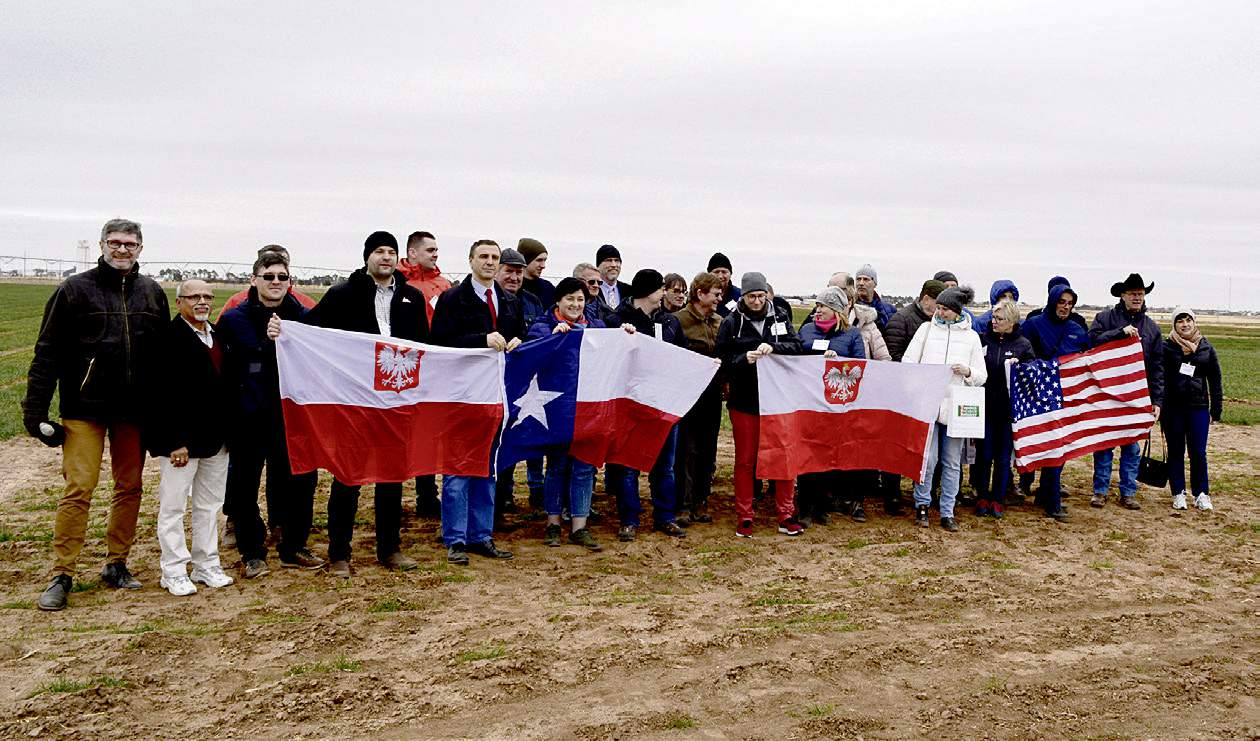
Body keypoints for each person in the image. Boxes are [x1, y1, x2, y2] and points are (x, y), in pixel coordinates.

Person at [24, 218, 170, 610]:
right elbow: (47, 353)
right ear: (102, 244)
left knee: (130, 487)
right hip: (84, 409)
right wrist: (34, 410)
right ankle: (62, 573)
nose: (122, 250)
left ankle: (116, 563)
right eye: (115, 242)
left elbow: (162, 359)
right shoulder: (74, 290)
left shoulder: (152, 293)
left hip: (132, 411)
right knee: (79, 488)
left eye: (130, 244)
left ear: (141, 248)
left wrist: (163, 409)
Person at [297, 231, 428, 575]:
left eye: (391, 252)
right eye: (379, 251)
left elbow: (426, 347)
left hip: (396, 401)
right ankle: (339, 553)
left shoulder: (412, 298)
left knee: (392, 475)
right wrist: (285, 334)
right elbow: (313, 332)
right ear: (367, 256)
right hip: (353, 401)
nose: (386, 257)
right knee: (348, 475)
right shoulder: (343, 294)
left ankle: (390, 548)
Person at [218, 249, 322, 578]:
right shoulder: (235, 318)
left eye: (282, 277)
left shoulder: (304, 317)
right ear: (254, 280)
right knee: (244, 484)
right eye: (269, 276)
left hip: (291, 416)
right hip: (248, 416)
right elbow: (227, 367)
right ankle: (252, 550)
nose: (275, 282)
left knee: (301, 482)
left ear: (290, 281)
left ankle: (293, 546)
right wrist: (267, 341)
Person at [430, 239, 524, 565]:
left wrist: (517, 341)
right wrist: (480, 341)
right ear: (470, 260)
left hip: (495, 397)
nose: (489, 262)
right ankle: (455, 538)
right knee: (458, 469)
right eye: (483, 256)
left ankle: (481, 535)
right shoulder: (452, 299)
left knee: (488, 469)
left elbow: (519, 335)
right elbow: (440, 342)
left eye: (494, 257)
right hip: (462, 396)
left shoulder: (510, 301)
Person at [524, 277, 633, 551]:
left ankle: (579, 527)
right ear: (558, 301)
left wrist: (624, 333)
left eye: (580, 299)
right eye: (570, 299)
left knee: (584, 468)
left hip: (590, 409)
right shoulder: (543, 326)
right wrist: (552, 339)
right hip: (556, 409)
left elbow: (613, 349)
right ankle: (552, 524)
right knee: (558, 467)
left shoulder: (596, 326)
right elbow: (530, 357)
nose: (575, 304)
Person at [148, 280, 236, 595]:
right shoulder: (166, 338)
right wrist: (174, 441)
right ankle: (173, 570)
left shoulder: (219, 336)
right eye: (194, 296)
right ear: (179, 301)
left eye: (207, 296)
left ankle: (206, 564)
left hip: (216, 440)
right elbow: (158, 395)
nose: (202, 301)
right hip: (181, 444)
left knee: (209, 505)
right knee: (173, 507)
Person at [716, 272, 805, 537]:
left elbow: (796, 347)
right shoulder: (732, 322)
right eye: (752, 296)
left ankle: (786, 513)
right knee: (745, 460)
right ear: (743, 296)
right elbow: (722, 359)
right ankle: (745, 514)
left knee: (783, 456)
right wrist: (745, 358)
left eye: (761, 296)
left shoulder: (780, 317)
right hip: (745, 401)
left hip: (778, 401)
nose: (757, 301)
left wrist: (774, 349)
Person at [607, 269, 688, 541]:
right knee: (627, 466)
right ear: (647, 292)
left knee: (664, 465)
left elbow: (682, 356)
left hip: (662, 405)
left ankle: (665, 516)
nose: (664, 293)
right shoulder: (617, 321)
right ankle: (629, 519)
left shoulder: (670, 322)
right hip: (631, 406)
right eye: (660, 289)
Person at [901, 285, 987, 532]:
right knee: (929, 460)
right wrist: (919, 383)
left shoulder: (971, 337)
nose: (940, 313)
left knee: (951, 463)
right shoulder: (926, 330)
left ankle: (948, 511)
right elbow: (908, 363)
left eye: (945, 309)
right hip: (928, 404)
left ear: (957, 310)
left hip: (956, 408)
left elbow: (982, 375)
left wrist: (967, 371)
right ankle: (922, 505)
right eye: (938, 307)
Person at [1088, 273, 1165, 510]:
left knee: (1132, 447)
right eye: (1133, 293)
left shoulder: (1151, 328)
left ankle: (1128, 491)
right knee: (1104, 445)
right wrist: (1119, 333)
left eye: (1140, 294)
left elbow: (1157, 368)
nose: (1137, 298)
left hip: (1137, 396)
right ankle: (1100, 491)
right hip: (1107, 393)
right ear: (1122, 295)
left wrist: (1157, 400)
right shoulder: (1105, 318)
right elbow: (1091, 342)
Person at [796, 287, 866, 525]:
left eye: (822, 307)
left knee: (827, 456)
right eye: (817, 306)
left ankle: (820, 506)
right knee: (808, 454)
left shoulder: (852, 335)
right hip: (808, 402)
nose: (817, 311)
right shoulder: (805, 330)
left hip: (836, 406)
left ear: (836, 310)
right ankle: (804, 507)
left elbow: (860, 367)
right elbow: (794, 359)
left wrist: (840, 363)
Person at [1021, 282, 1089, 521]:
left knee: (1060, 448)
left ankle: (1048, 496)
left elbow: (1088, 356)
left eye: (1070, 303)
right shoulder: (1033, 325)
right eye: (1061, 302)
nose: (1065, 307)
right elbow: (1023, 355)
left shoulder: (1077, 328)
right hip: (1039, 395)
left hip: (1067, 395)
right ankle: (1049, 500)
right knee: (1045, 446)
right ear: (1052, 301)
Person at [395, 230, 449, 518]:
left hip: (437, 371)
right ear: (412, 252)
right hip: (404, 370)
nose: (435, 254)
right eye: (430, 249)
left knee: (429, 434)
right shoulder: (398, 284)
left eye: (437, 249)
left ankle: (427, 495)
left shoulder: (445, 285)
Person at [493, 247, 546, 518]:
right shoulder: (492, 299)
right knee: (497, 444)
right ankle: (498, 500)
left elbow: (538, 334)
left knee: (516, 440)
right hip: (491, 384)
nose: (514, 277)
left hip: (524, 382)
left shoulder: (533, 302)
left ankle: (508, 497)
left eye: (518, 272)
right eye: (509, 271)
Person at [974, 298, 1034, 519]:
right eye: (993, 317)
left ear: (1011, 322)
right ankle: (982, 496)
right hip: (986, 408)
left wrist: (1021, 368)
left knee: (1002, 458)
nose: (994, 322)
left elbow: (1031, 375)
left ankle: (998, 499)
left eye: (999, 319)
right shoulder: (982, 340)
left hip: (1009, 412)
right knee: (984, 455)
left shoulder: (1023, 345)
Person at [673, 272, 725, 525]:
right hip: (687, 395)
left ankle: (701, 500)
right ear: (700, 293)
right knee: (687, 450)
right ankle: (683, 503)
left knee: (708, 449)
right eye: (715, 293)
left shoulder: (720, 322)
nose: (719, 298)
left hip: (712, 395)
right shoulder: (678, 321)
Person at [1161, 307, 1222, 511]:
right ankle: (1178, 493)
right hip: (1173, 409)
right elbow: (1159, 379)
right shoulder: (1166, 347)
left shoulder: (1206, 347)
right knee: (1176, 451)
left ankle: (1202, 493)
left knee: (1198, 452)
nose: (1185, 324)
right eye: (1180, 321)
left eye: (1188, 320)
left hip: (1198, 408)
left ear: (1194, 322)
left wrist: (1216, 409)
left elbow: (1215, 380)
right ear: (1174, 324)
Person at [222, 244, 319, 311]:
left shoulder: (307, 305)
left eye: (281, 262)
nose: (276, 281)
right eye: (268, 261)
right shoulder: (235, 304)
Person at [885, 280, 945, 362]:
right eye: (939, 305)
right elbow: (893, 355)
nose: (942, 309)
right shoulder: (900, 320)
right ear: (926, 299)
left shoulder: (941, 320)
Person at [854, 264, 896, 330]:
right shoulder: (849, 308)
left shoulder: (890, 310)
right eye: (858, 279)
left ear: (875, 283)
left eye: (866, 279)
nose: (861, 283)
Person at [518, 237, 555, 308]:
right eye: (539, 260)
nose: (543, 266)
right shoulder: (514, 287)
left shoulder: (548, 288)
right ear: (526, 260)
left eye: (545, 260)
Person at [595, 244, 631, 314]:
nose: (614, 265)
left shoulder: (630, 291)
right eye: (609, 260)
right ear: (598, 266)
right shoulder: (592, 290)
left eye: (617, 260)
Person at [707, 252, 741, 317]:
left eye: (724, 272)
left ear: (730, 274)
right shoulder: (702, 296)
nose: (720, 276)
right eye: (716, 272)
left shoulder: (740, 296)